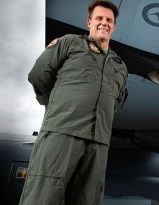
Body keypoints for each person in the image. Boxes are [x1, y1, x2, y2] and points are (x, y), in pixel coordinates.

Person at [19, 1, 128, 204]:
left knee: (88, 199)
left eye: (109, 20)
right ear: (89, 22)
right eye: (99, 18)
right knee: (43, 196)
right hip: (62, 133)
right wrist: (54, 105)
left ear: (114, 26)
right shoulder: (70, 43)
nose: (104, 23)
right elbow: (38, 75)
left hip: (98, 144)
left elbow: (118, 100)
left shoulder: (120, 66)